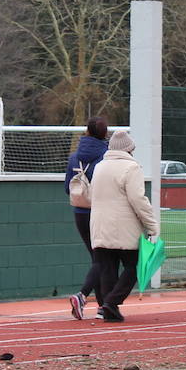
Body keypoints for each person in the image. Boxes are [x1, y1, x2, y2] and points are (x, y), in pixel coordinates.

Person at [89, 129, 158, 322]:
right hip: (123, 226)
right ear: (129, 149)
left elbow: (90, 195)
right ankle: (112, 302)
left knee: (107, 267)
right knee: (134, 266)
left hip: (99, 224)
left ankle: (107, 307)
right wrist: (152, 226)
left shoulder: (100, 166)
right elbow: (138, 199)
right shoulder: (131, 168)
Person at [64, 117, 109, 319]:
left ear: (87, 132)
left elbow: (68, 188)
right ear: (104, 134)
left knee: (96, 259)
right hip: (99, 212)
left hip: (80, 213)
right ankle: (82, 295)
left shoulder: (74, 157)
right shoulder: (106, 157)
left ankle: (102, 306)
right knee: (103, 259)